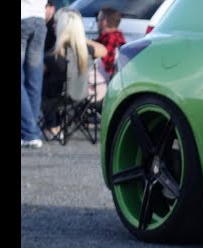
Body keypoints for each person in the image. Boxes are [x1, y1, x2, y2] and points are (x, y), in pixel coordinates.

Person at [42, 7, 98, 139]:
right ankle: (55, 125)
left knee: (43, 83)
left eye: (56, 23)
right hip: (81, 97)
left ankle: (51, 126)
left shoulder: (53, 56)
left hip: (58, 100)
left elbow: (36, 77)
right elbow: (104, 50)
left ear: (63, 28)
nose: (53, 26)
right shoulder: (86, 52)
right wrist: (81, 39)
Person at [22, 0, 49, 148]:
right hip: (39, 20)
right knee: (34, 81)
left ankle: (29, 132)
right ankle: (31, 134)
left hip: (22, 18)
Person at [94, 6, 127, 78]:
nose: (97, 23)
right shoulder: (119, 38)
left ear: (104, 22)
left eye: (98, 20)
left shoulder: (108, 39)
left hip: (103, 82)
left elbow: (106, 68)